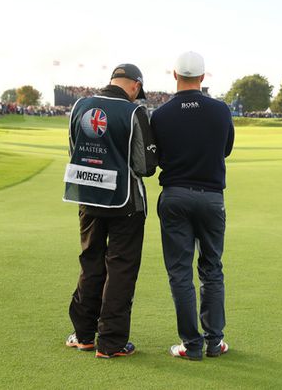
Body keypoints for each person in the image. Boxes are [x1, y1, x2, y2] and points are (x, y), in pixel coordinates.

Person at [63, 64, 157, 358]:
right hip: (125, 203)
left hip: (87, 198)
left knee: (90, 262)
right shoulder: (134, 112)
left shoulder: (80, 105)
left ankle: (83, 335)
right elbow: (146, 166)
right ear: (136, 86)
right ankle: (111, 343)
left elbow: (73, 149)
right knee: (121, 268)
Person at [151, 51, 235, 361]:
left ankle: (192, 344)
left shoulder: (159, 115)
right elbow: (225, 149)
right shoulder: (220, 110)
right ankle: (214, 341)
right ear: (203, 76)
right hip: (212, 197)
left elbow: (155, 156)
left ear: (174, 75)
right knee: (212, 268)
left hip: (175, 195)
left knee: (180, 273)